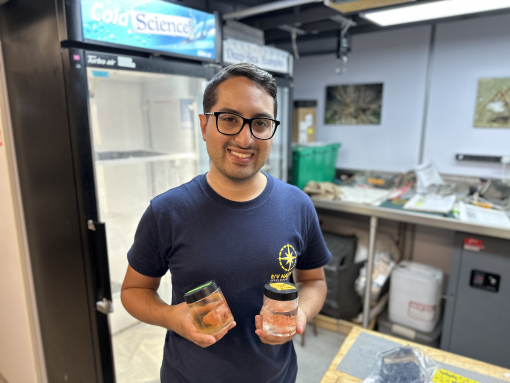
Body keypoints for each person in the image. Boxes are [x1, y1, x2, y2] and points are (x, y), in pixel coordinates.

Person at [121, 63, 332, 383]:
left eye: (260, 123)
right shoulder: (167, 211)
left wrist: (300, 312)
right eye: (230, 119)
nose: (246, 139)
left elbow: (314, 281)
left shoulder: (297, 205)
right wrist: (171, 317)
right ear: (204, 127)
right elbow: (134, 290)